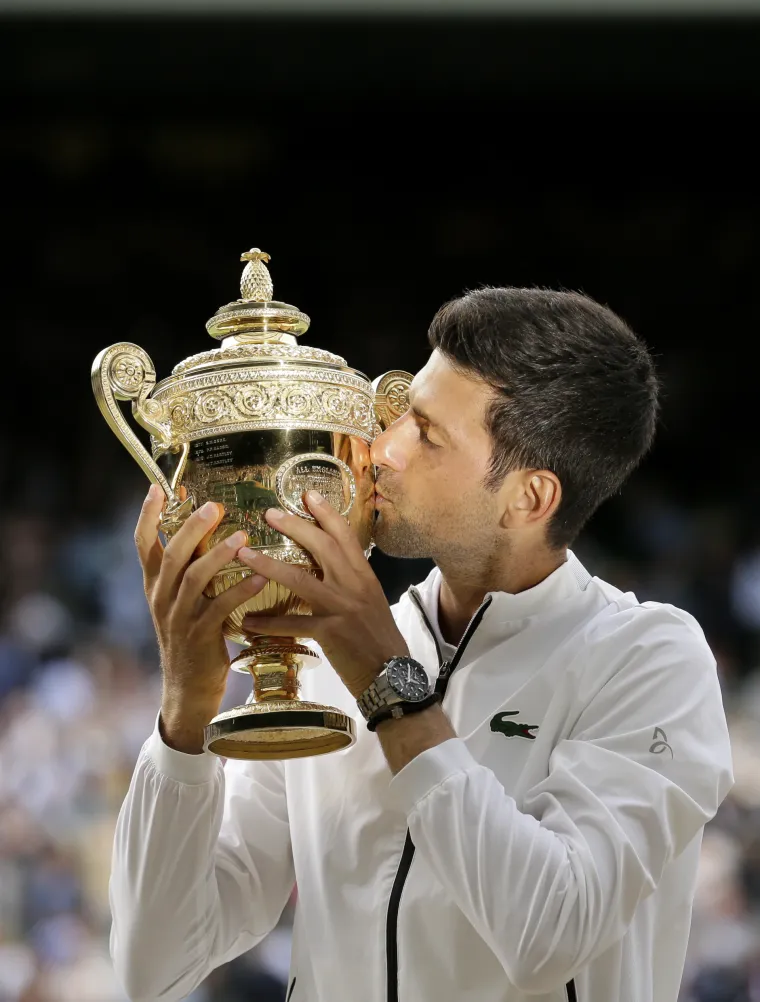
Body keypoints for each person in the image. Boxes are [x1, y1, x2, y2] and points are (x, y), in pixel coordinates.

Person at [109, 287, 733, 1002]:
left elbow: (551, 931)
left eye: (429, 435)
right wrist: (185, 719)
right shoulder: (323, 655)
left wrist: (386, 681)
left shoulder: (649, 658)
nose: (384, 450)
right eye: (400, 412)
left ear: (530, 498)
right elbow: (152, 968)